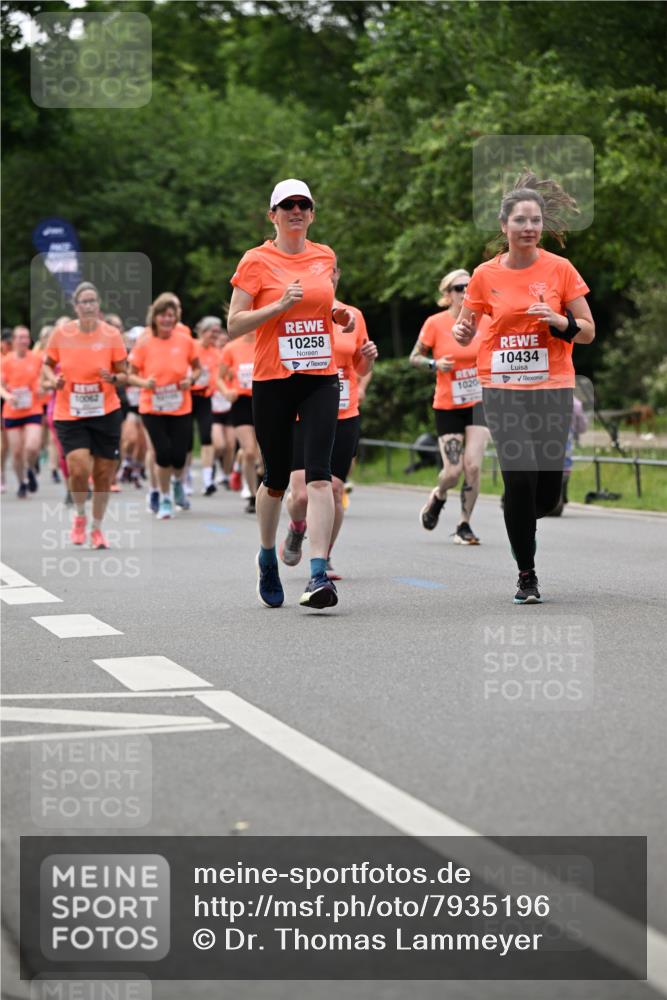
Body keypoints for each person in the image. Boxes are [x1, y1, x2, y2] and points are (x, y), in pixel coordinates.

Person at [453, 172, 595, 603]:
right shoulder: (483, 275)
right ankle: (526, 574)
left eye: (535, 220)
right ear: (504, 226)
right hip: (502, 387)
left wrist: (560, 323)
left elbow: (588, 330)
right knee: (520, 478)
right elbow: (468, 324)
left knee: (546, 492)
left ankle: (521, 512)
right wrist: (462, 333)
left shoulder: (560, 269)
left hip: (552, 386)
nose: (528, 227)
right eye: (520, 220)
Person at [227, 178, 354, 610]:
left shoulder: (325, 255)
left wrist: (337, 313)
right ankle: (267, 557)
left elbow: (324, 304)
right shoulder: (256, 261)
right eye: (287, 205)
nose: (296, 211)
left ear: (312, 214)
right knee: (277, 479)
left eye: (304, 205)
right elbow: (234, 324)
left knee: (320, 476)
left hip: (320, 375)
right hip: (273, 379)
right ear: (273, 215)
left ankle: (319, 573)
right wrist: (278, 306)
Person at [280, 262, 377, 574]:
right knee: (300, 494)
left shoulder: (353, 315)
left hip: (344, 410)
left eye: (331, 271)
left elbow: (360, 368)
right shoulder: (295, 310)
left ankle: (324, 554)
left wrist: (368, 360)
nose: (327, 275)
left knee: (334, 489)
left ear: (336, 276)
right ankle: (297, 528)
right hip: (301, 411)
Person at [43, 282, 128, 548]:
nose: (89, 306)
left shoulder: (111, 334)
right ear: (75, 306)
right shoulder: (61, 334)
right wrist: (53, 380)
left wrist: (114, 377)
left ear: (98, 304)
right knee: (79, 467)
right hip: (70, 412)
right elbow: (46, 366)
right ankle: (79, 515)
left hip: (106, 411)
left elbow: (125, 374)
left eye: (93, 301)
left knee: (103, 473)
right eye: (84, 302)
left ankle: (97, 528)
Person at [410, 269, 491, 544]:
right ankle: (439, 495)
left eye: (470, 286)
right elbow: (415, 357)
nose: (465, 291)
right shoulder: (435, 323)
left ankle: (464, 524)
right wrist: (435, 364)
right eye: (459, 288)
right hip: (448, 404)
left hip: (480, 401)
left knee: (473, 467)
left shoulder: (486, 321)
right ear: (448, 294)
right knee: (453, 471)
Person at [128, 293, 201, 520]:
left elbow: (197, 368)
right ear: (155, 318)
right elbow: (129, 375)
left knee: (180, 455)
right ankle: (165, 497)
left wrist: (192, 379)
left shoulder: (185, 340)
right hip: (152, 406)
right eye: (163, 316)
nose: (167, 320)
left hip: (180, 405)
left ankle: (178, 483)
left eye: (171, 316)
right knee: (162, 454)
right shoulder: (144, 342)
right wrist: (144, 383)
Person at [0, 326, 43, 497]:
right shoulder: (5, 361)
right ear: (13, 340)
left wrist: (44, 388)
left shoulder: (36, 359)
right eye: (20, 337)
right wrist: (7, 396)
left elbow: (44, 379)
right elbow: (1, 386)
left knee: (32, 446)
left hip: (33, 408)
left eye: (26, 337)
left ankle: (30, 468)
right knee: (16, 452)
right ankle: (22, 482)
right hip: (12, 411)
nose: (23, 341)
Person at [219, 330, 258, 513]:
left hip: (266, 400)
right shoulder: (231, 348)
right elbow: (219, 377)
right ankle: (252, 495)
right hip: (241, 403)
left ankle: (263, 485)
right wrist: (226, 391)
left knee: (267, 453)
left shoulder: (267, 341)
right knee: (249, 451)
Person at [192, 316, 222, 496]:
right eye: (213, 332)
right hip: (187, 397)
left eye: (218, 332)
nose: (216, 336)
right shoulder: (192, 347)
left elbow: (217, 377)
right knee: (186, 440)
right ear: (203, 331)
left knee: (206, 437)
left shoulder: (217, 353)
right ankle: (184, 479)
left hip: (205, 398)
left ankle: (207, 480)